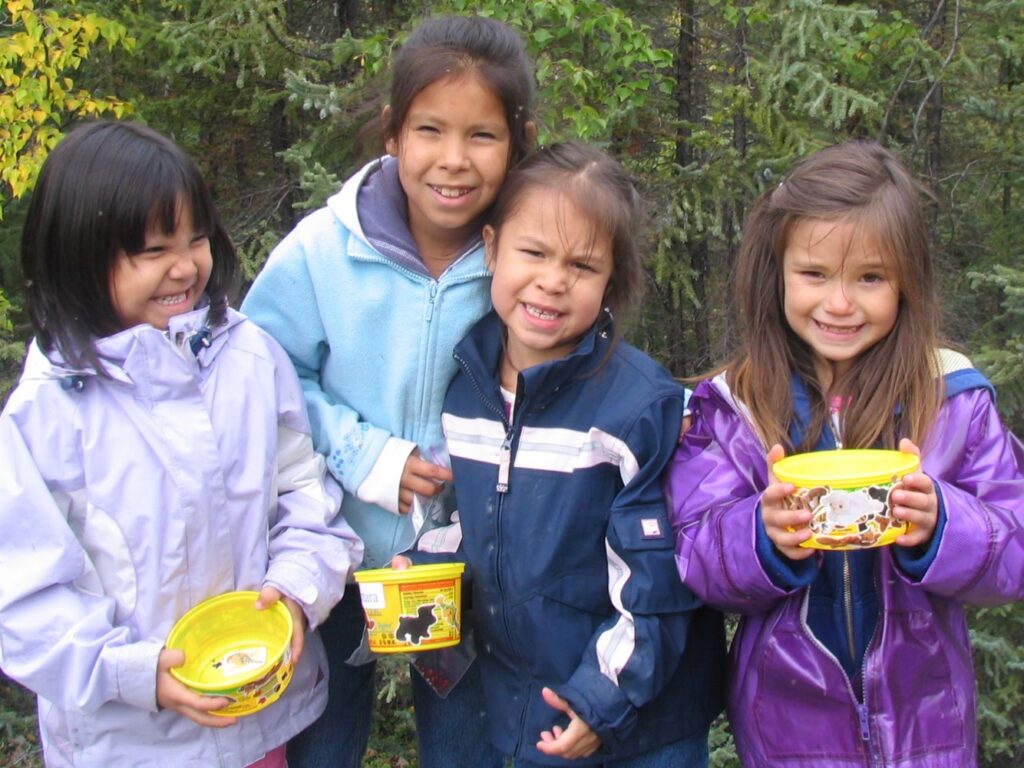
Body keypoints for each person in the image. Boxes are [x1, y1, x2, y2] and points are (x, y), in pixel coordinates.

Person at [0, 120, 363, 768]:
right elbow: (23, 598)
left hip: (257, 721)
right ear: (78, 256)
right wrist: (136, 675)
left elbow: (307, 494)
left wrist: (296, 590)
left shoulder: (249, 359)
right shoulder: (47, 415)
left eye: (195, 238)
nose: (185, 266)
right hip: (123, 746)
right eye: (151, 250)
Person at [666, 139, 1024, 767]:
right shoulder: (736, 407)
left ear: (907, 283)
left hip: (929, 726)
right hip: (785, 728)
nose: (839, 303)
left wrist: (944, 524)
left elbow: (1014, 546)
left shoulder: (950, 399)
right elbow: (694, 552)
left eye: (870, 278)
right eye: (814, 274)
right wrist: (763, 536)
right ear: (774, 271)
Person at [240, 14, 537, 767]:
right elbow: (260, 377)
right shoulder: (322, 250)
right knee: (321, 742)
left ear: (518, 142)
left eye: (482, 136)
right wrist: (366, 455)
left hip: (467, 563)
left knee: (465, 747)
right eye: (430, 130)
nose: (453, 160)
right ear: (392, 134)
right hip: (327, 554)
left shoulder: (527, 257)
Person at [431, 142, 725, 767]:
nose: (552, 280)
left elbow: (659, 583)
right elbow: (466, 525)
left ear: (610, 282)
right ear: (490, 248)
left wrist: (602, 698)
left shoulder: (638, 410)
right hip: (529, 710)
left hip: (640, 723)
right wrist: (417, 568)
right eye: (532, 252)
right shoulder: (466, 393)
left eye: (582, 266)